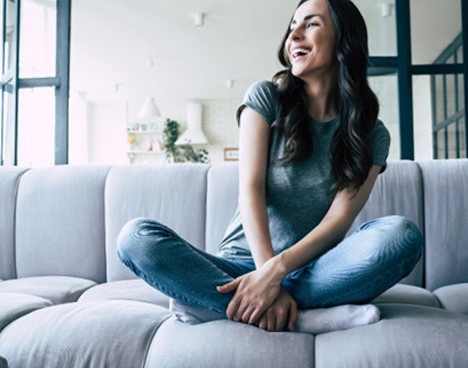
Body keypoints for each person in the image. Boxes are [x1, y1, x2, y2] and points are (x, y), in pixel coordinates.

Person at [117, 0, 423, 334]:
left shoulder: (371, 134)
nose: (294, 33)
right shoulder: (266, 98)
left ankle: (224, 307)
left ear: (343, 39)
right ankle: (302, 315)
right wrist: (267, 276)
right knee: (136, 238)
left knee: (401, 236)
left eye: (311, 24)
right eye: (293, 25)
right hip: (238, 266)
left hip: (313, 270)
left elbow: (339, 222)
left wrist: (277, 273)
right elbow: (251, 188)